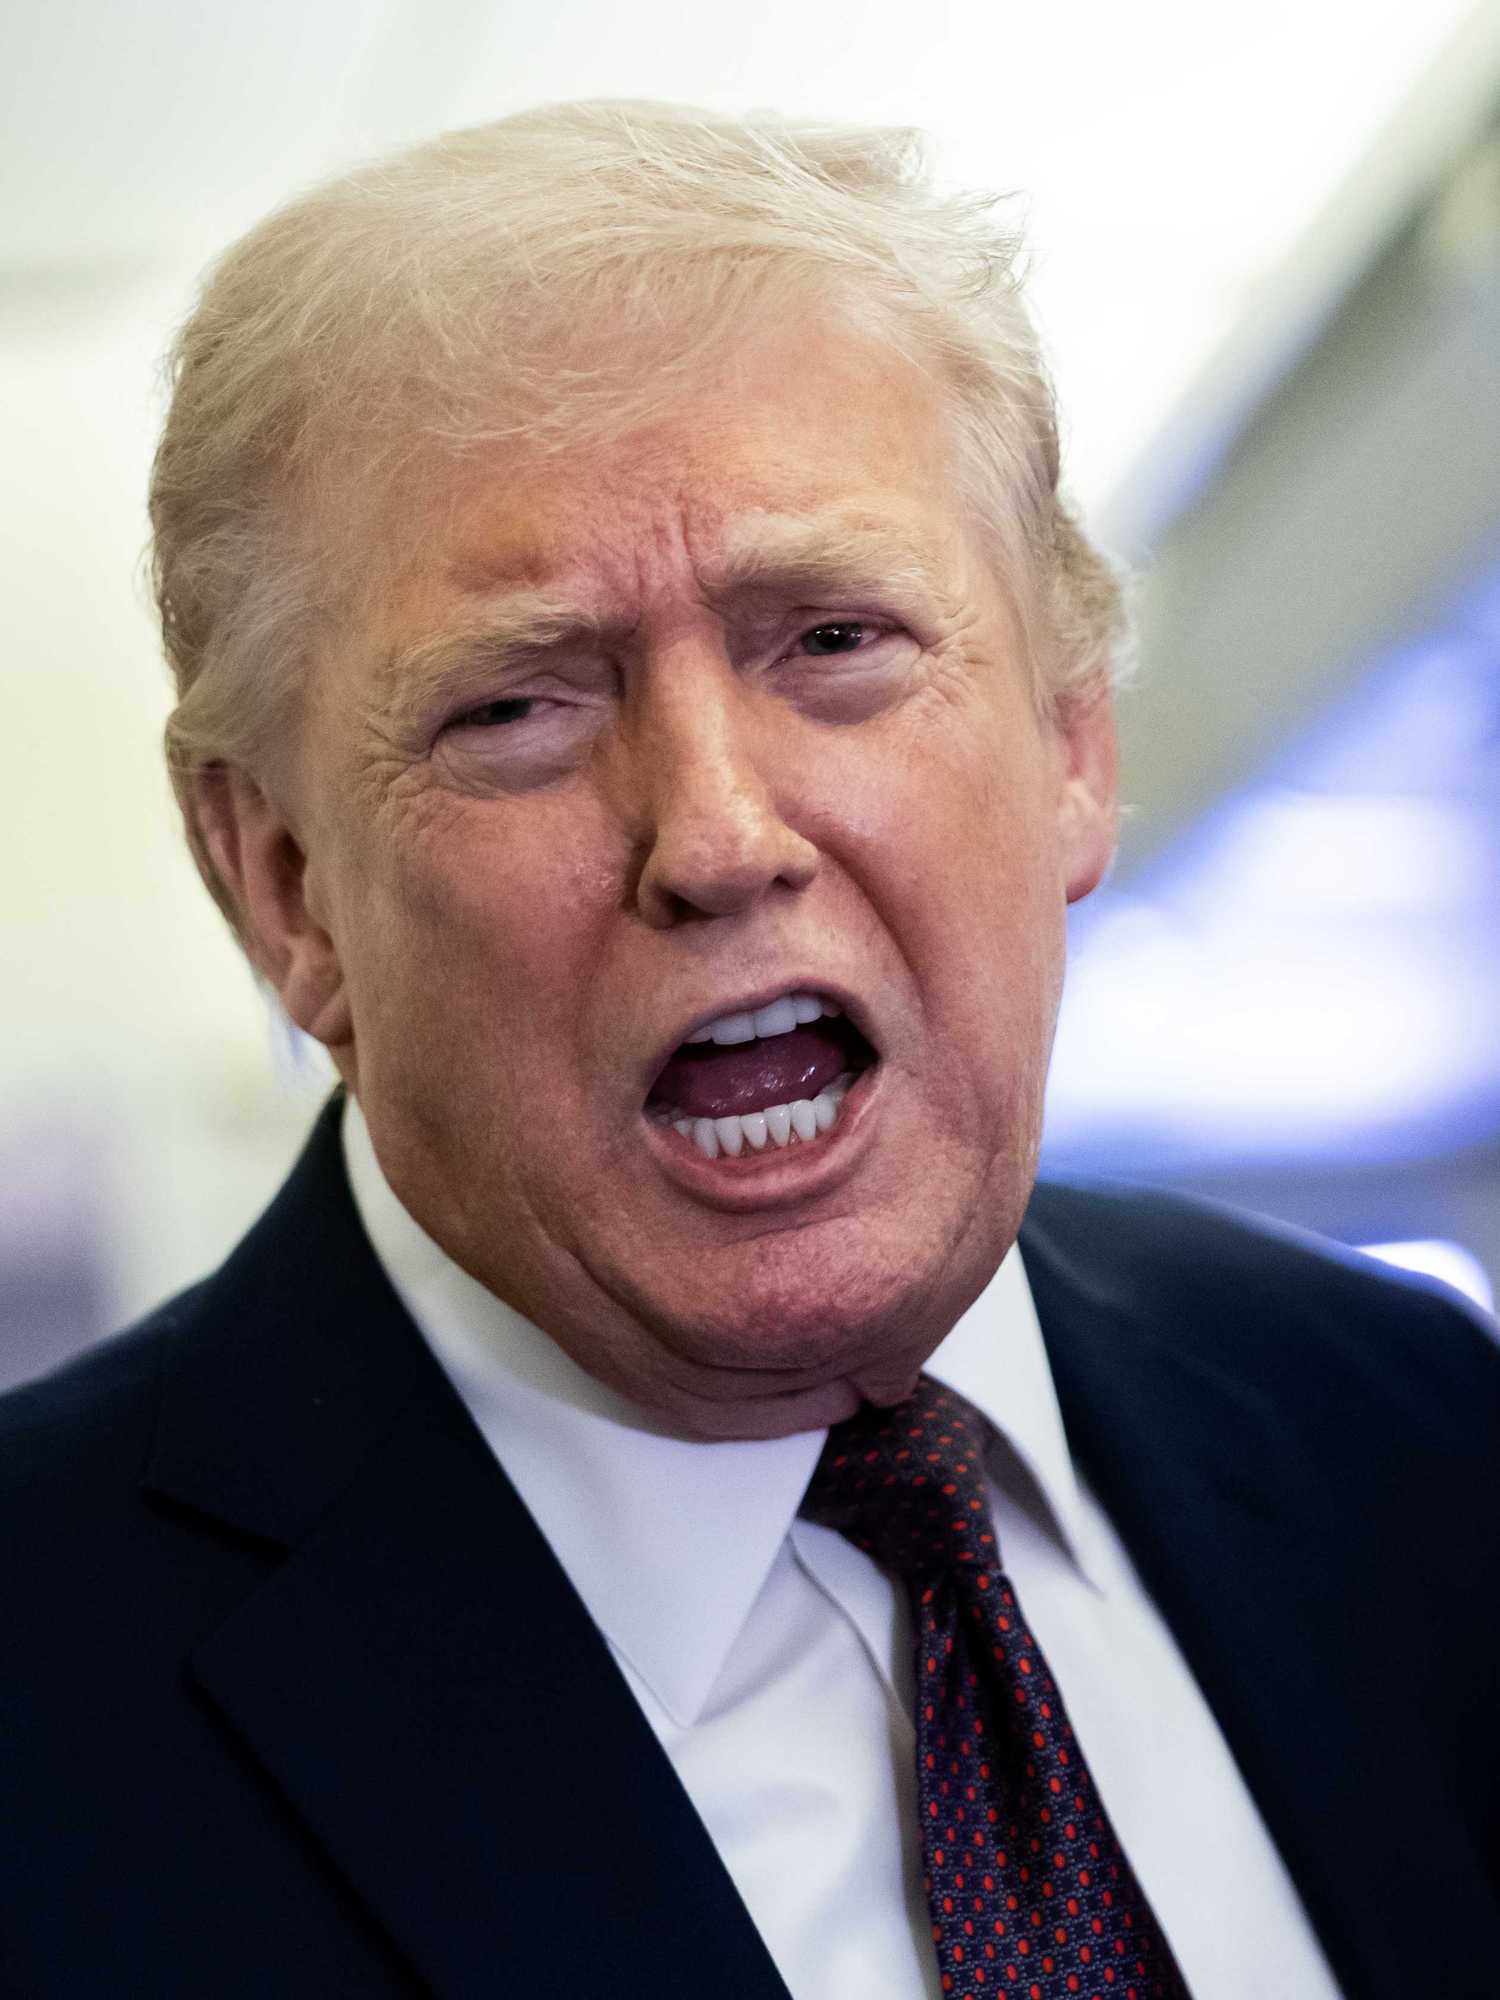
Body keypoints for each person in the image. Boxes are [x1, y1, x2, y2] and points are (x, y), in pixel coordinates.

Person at [1, 101, 1496, 2000]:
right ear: (283, 884)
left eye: (837, 639)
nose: (714, 837)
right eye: (519, 706)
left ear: (1070, 743)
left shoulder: (1408, 1434)